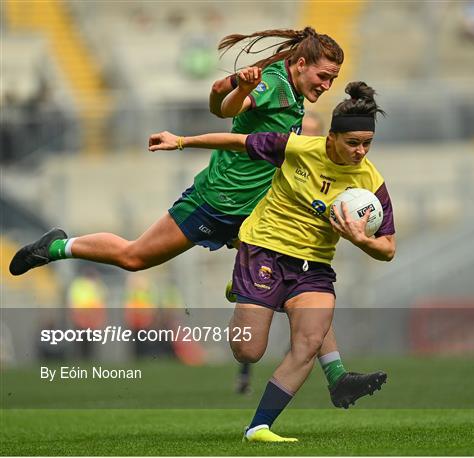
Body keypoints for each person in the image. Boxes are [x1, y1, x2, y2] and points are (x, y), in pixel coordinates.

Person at [9, 27, 368, 409]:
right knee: (135, 257)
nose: (328, 85)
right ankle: (57, 246)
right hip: (215, 201)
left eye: (332, 78)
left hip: (255, 211)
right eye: (324, 76)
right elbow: (222, 105)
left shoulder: (294, 93)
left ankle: (337, 375)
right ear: (300, 64)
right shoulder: (273, 85)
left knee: (303, 278)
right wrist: (242, 88)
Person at [146, 81, 395, 442]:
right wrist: (182, 141)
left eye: (367, 144)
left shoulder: (371, 182)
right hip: (264, 249)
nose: (360, 152)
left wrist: (361, 240)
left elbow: (388, 248)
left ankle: (259, 426)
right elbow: (239, 142)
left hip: (314, 267)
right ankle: (248, 289)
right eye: (353, 143)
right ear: (332, 137)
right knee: (248, 348)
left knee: (309, 343)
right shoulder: (298, 148)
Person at [235, 110, 325, 395]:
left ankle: (323, 371)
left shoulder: (323, 169)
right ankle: (246, 371)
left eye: (313, 132)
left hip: (305, 257)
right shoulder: (282, 159)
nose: (306, 136)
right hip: (266, 246)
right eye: (302, 131)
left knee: (307, 322)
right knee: (253, 333)